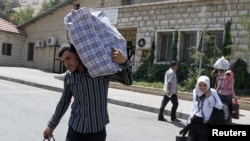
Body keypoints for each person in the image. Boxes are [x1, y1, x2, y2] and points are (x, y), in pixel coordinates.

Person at [43, 43, 132, 141]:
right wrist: (51, 126)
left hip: (97, 131)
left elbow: (128, 81)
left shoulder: (100, 71)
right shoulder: (69, 76)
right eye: (63, 61)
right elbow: (64, 102)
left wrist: (124, 62)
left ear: (77, 54)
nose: (66, 64)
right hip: (75, 128)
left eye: (68, 58)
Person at [186, 76, 223, 141]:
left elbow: (220, 106)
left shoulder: (212, 92)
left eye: (205, 85)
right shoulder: (195, 91)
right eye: (200, 85)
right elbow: (194, 106)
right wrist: (189, 119)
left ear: (208, 84)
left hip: (205, 123)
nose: (202, 87)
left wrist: (210, 97)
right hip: (195, 120)